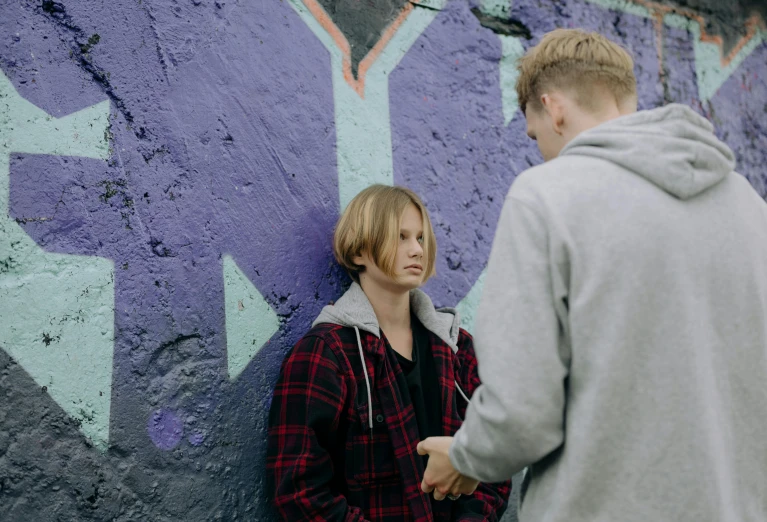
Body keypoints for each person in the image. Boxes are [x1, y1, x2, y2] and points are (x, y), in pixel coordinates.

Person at [418, 28, 767, 522]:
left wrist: (466, 457)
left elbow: (522, 413)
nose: (538, 149)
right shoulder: (749, 207)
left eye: (535, 134)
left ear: (553, 107)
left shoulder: (546, 196)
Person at [266, 185, 511, 521]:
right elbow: (300, 492)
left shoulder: (456, 348)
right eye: (401, 237)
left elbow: (493, 459)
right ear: (358, 253)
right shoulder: (326, 354)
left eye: (421, 238)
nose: (416, 250)